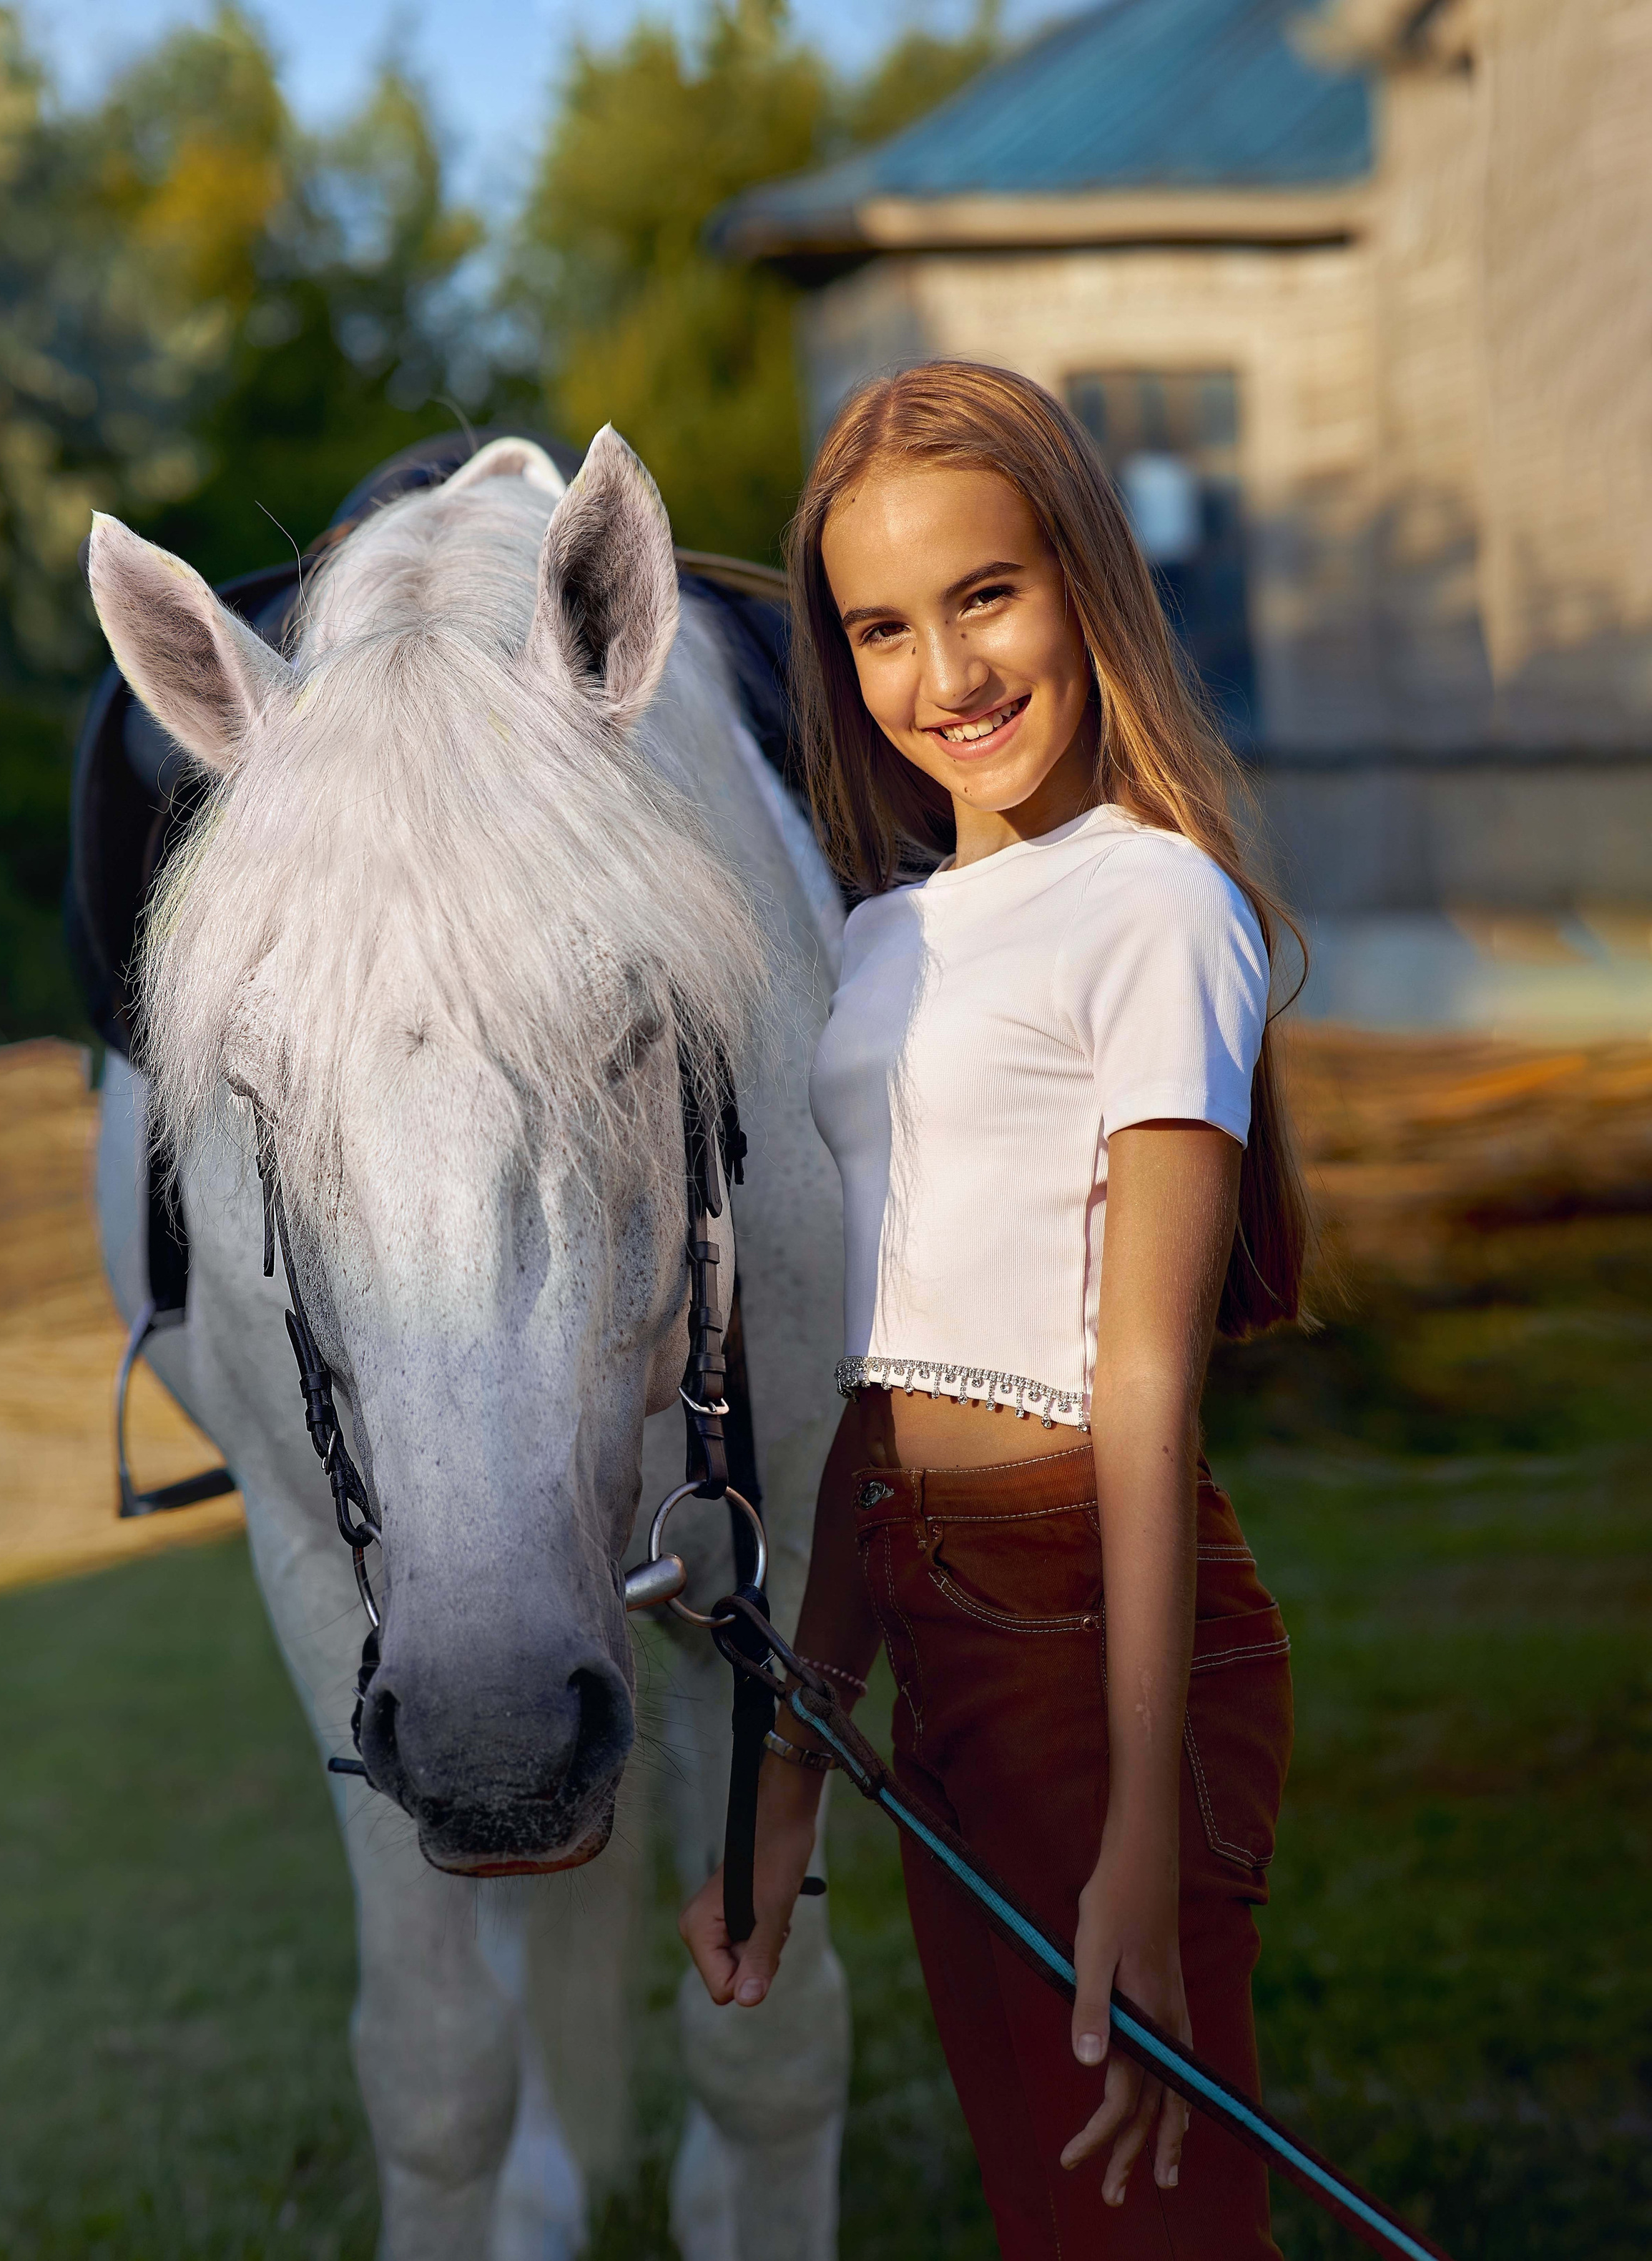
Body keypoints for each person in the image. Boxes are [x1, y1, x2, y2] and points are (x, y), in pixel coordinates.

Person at [680, 361, 1306, 2257]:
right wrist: (795, 1768)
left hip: (1088, 1613)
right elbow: (885, 1377)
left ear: (1081, 582)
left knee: (1155, 2203)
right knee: (1051, 2197)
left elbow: (1142, 1375)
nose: (942, 670)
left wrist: (1137, 1826)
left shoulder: (1160, 904)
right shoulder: (882, 943)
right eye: (879, 626)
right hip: (926, 1598)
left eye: (985, 596)